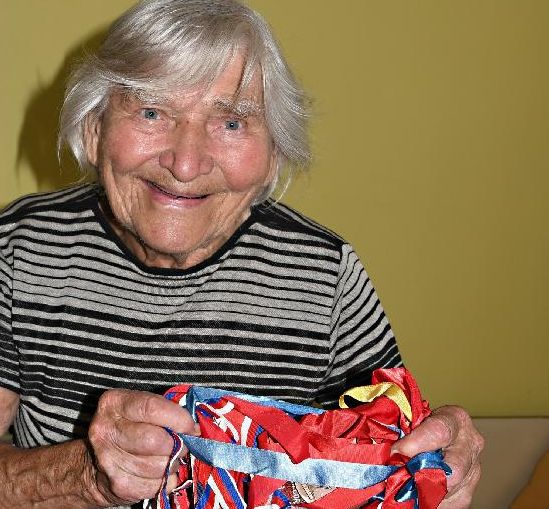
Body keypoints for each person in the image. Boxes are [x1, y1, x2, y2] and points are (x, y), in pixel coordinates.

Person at [0, 0, 483, 507]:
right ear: (95, 128)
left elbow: (392, 450)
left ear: (274, 152)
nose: (185, 164)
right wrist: (84, 477)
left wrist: (438, 466)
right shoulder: (19, 248)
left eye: (231, 123)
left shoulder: (324, 276)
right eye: (151, 112)